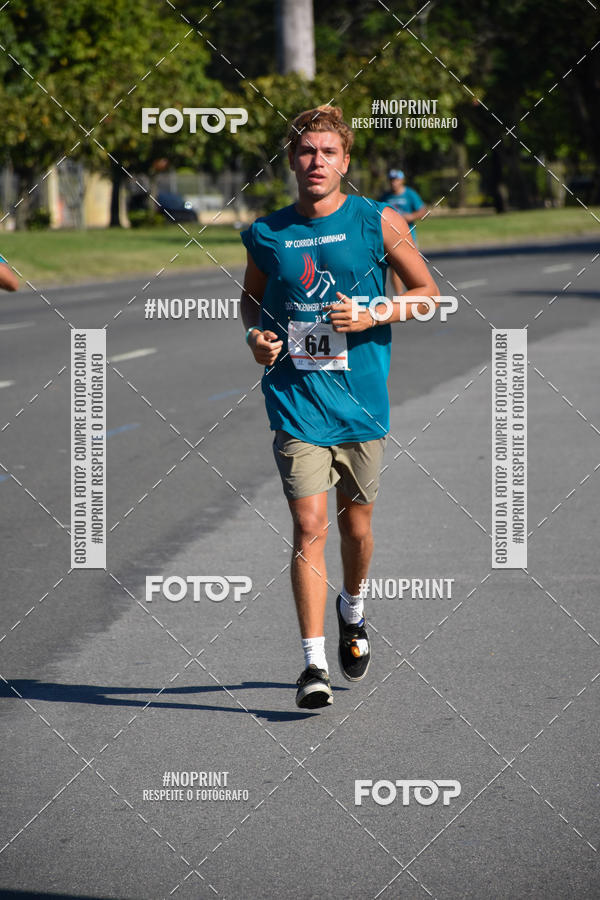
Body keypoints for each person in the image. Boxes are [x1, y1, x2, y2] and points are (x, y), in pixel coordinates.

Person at [240, 106, 438, 709]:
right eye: (305, 152)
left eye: (327, 152)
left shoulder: (379, 221)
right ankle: (312, 665)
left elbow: (429, 296)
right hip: (296, 402)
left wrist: (376, 312)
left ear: (345, 161)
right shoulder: (268, 233)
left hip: (360, 407)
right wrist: (256, 336)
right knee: (308, 527)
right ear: (291, 160)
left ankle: (352, 609)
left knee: (357, 527)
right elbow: (251, 303)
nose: (316, 162)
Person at [380, 169, 426, 297]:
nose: (394, 183)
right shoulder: (385, 197)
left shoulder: (410, 194)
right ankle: (399, 296)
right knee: (395, 268)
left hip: (408, 237)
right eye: (391, 180)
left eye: (396, 180)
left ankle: (417, 291)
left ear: (402, 180)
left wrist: (410, 216)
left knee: (412, 266)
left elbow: (423, 211)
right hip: (391, 238)